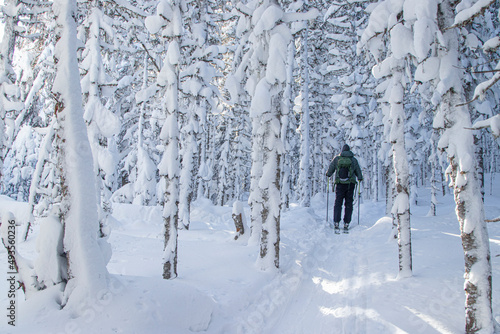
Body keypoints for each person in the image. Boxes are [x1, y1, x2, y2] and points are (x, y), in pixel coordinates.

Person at [326, 144, 363, 231]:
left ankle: (336, 221)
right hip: (350, 184)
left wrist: (328, 174)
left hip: (340, 184)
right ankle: (346, 222)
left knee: (338, 202)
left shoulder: (337, 159)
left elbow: (330, 170)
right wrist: (360, 178)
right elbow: (358, 171)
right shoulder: (353, 160)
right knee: (348, 203)